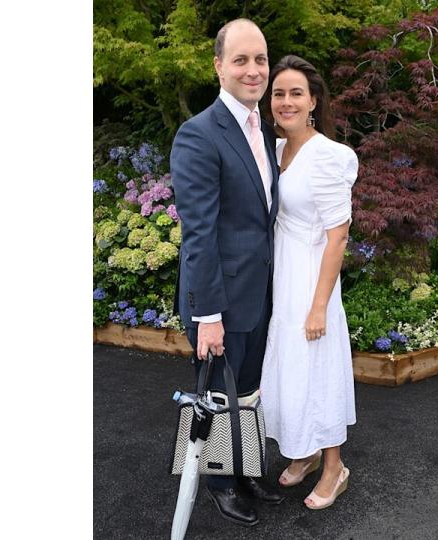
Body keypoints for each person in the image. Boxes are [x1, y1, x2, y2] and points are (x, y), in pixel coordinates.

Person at [170, 19, 284, 527]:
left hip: (258, 292)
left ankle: (245, 468)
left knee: (250, 387)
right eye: (241, 60)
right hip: (220, 300)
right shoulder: (198, 134)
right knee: (217, 391)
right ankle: (219, 482)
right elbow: (199, 235)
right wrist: (208, 315)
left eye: (260, 59)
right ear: (218, 66)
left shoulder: (264, 130)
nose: (253, 70)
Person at [259, 55, 358, 510]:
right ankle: (305, 450)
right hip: (285, 274)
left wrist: (319, 306)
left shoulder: (327, 157)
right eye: (279, 93)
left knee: (316, 369)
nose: (286, 101)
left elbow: (338, 235)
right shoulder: (277, 150)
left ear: (314, 100)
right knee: (289, 369)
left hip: (312, 279)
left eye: (296, 92)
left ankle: (334, 466)